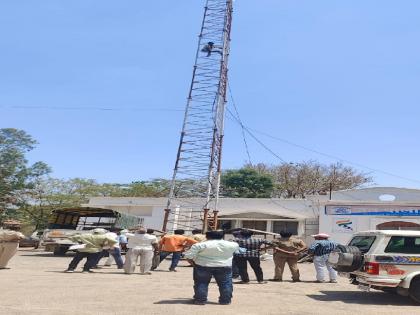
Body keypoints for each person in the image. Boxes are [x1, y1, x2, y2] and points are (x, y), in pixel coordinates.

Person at [184, 230, 239, 305]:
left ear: (207, 236)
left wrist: (194, 264)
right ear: (222, 236)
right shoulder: (233, 245)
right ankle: (225, 301)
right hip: (224, 266)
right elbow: (237, 252)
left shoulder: (200, 245)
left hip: (203, 266)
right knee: (225, 284)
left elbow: (188, 256)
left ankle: (200, 300)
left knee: (201, 283)